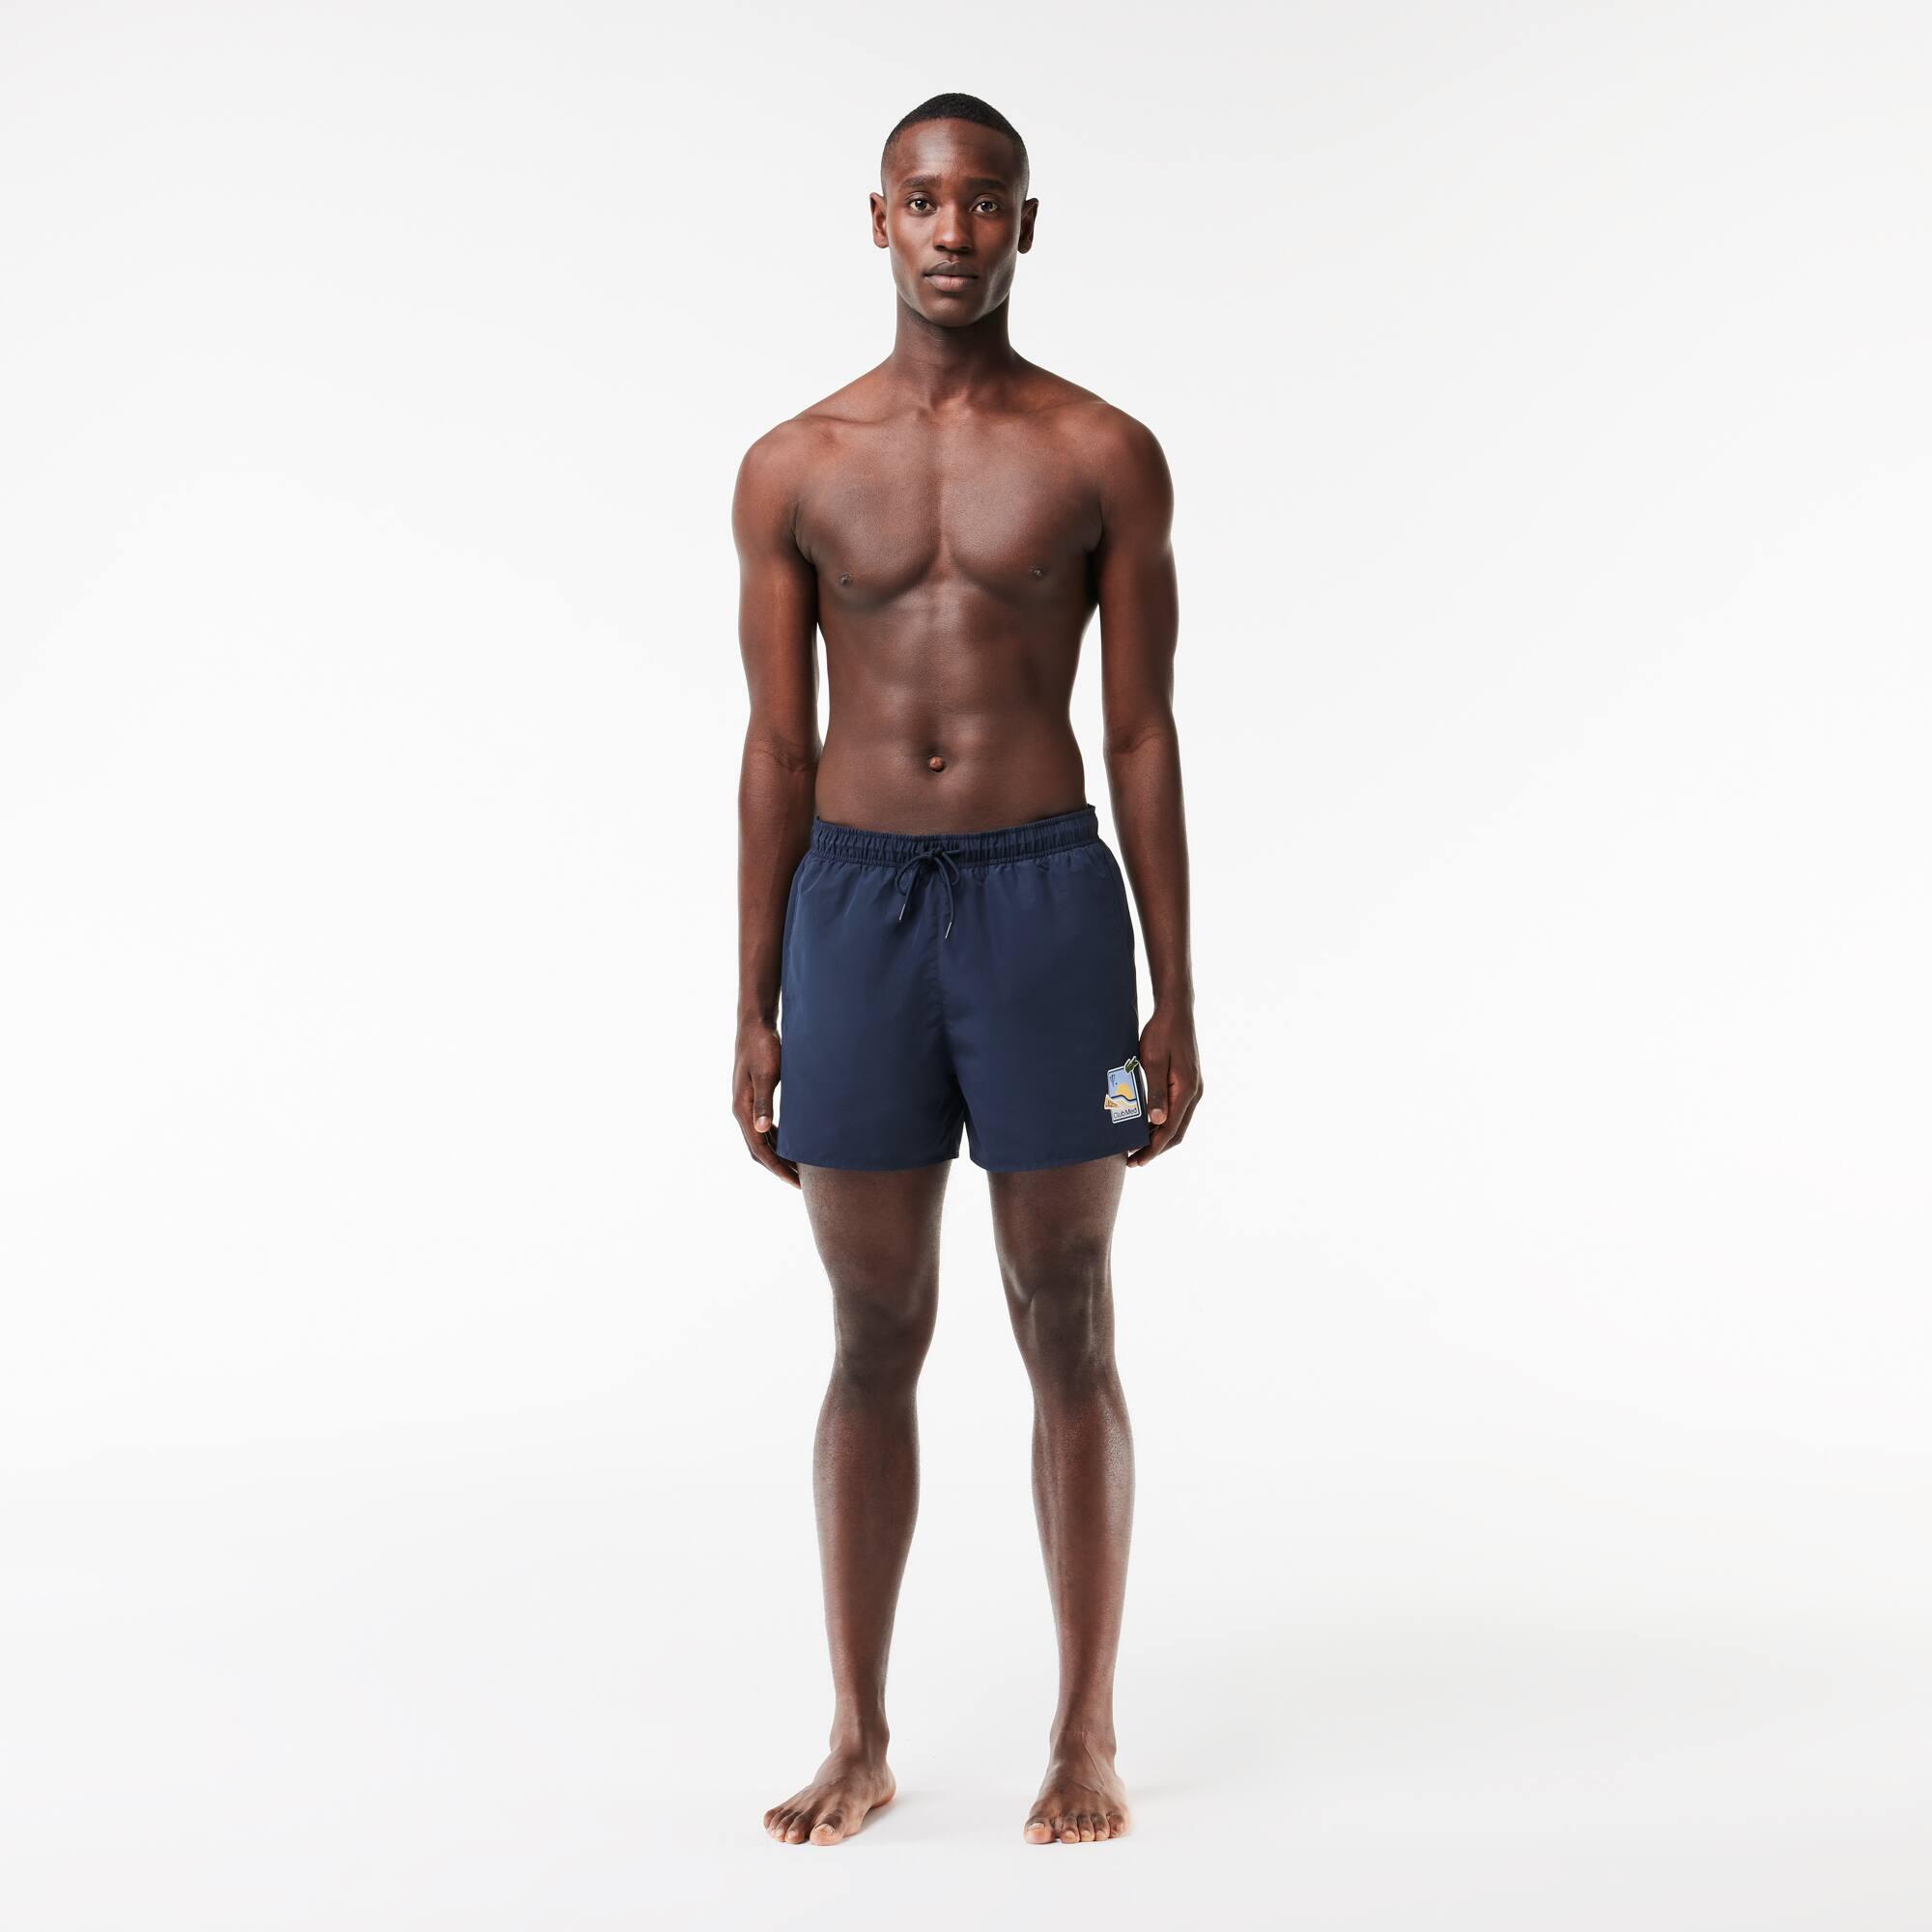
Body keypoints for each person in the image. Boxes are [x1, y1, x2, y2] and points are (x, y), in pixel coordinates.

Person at [730, 91, 1203, 1848]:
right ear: (879, 220)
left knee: (1065, 1311)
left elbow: (1141, 733)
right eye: (925, 201)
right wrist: (753, 1000)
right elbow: (777, 748)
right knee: (872, 1329)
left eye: (985, 202)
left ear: (1025, 225)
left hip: (1044, 902)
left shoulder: (1101, 455)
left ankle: (1086, 1733)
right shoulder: (795, 466)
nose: (954, 230)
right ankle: (857, 1732)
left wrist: (1176, 987)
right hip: (855, 905)